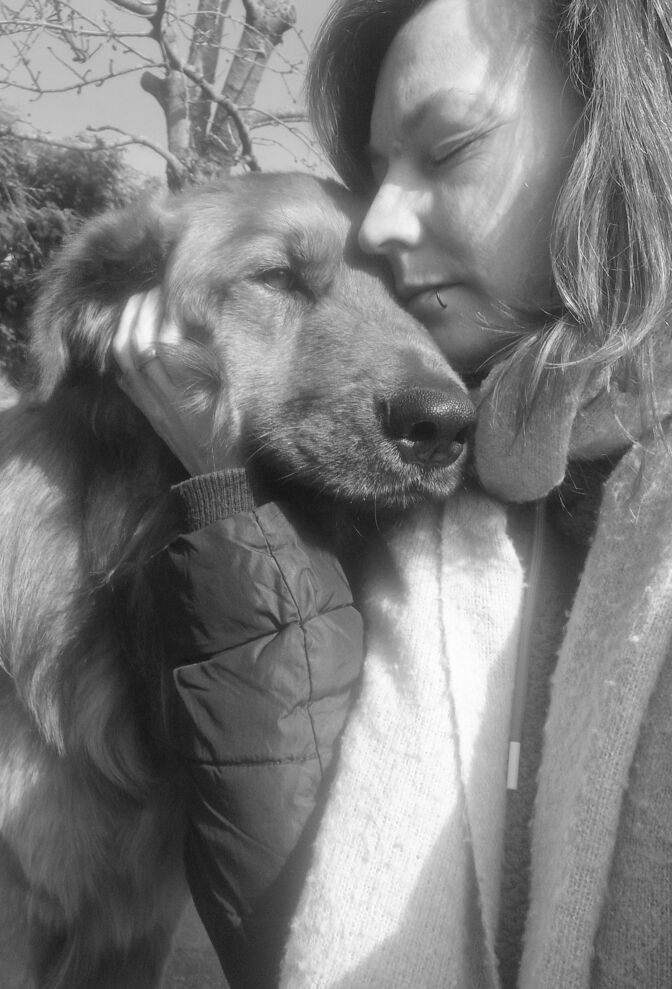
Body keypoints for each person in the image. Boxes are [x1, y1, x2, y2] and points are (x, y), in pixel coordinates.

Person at [114, 0, 672, 986]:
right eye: (377, 173)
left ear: (616, 135)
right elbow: (285, 925)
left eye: (447, 147)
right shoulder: (427, 479)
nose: (375, 222)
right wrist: (228, 503)